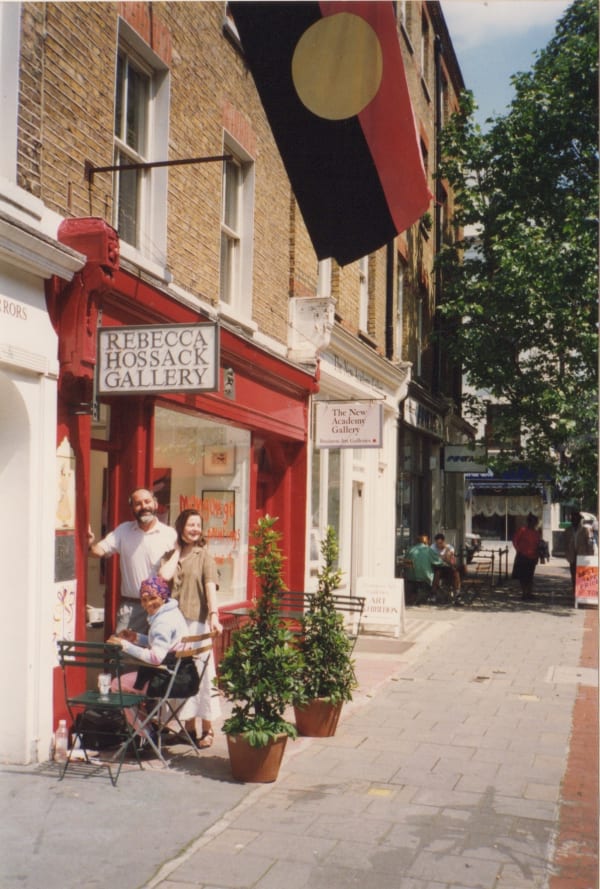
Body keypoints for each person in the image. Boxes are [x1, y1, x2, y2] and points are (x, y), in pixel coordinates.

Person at [159, 508, 222, 749]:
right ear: (180, 526)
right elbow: (163, 576)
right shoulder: (169, 555)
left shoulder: (204, 556)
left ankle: (207, 729)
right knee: (181, 675)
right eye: (190, 524)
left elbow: (210, 586)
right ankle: (187, 728)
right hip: (173, 627)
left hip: (197, 623)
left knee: (202, 675)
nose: (195, 529)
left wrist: (214, 616)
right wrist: (176, 551)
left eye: (198, 525)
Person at [107, 575, 189, 744]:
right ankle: (146, 726)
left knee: (117, 685)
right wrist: (135, 637)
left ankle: (146, 734)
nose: (147, 604)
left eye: (153, 598)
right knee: (129, 683)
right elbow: (162, 643)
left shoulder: (162, 623)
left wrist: (125, 645)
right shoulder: (172, 612)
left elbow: (155, 657)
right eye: (144, 600)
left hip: (165, 679)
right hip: (181, 675)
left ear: (163, 596)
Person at [88, 488, 177, 633]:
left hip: (161, 607)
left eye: (147, 501)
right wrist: (88, 544)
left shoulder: (169, 534)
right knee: (125, 651)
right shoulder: (123, 531)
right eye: (138, 504)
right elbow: (98, 551)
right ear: (132, 508)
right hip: (132, 607)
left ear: (155, 504)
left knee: (159, 652)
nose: (144, 507)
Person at [405, 535, 445, 602]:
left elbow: (405, 560)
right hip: (425, 577)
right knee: (438, 570)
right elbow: (439, 562)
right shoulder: (428, 550)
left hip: (411, 576)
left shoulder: (410, 549)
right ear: (427, 541)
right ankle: (433, 592)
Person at [564, 510, 595, 594]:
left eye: (576, 518)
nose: (574, 520)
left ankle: (582, 593)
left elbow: (589, 544)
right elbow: (565, 543)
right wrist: (567, 554)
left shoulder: (585, 530)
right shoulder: (568, 530)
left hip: (583, 556)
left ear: (579, 519)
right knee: (573, 575)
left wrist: (590, 556)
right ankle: (575, 591)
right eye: (572, 518)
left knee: (582, 576)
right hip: (572, 557)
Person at [512, 513, 541, 601]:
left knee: (530, 576)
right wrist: (519, 550)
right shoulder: (522, 530)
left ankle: (529, 593)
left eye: (535, 522)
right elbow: (514, 540)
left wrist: (538, 556)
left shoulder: (536, 533)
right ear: (529, 522)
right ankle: (524, 593)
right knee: (523, 576)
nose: (533, 524)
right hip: (523, 556)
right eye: (532, 522)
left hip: (533, 557)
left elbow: (538, 545)